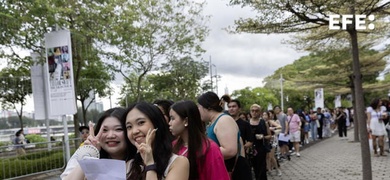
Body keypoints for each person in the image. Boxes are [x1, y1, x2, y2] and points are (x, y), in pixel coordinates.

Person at [61, 107, 136, 179]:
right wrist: (90, 154)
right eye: (105, 130)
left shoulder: (142, 159)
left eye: (118, 129)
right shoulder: (83, 153)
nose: (110, 136)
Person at [124, 102, 189, 179]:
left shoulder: (178, 162)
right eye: (129, 127)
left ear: (156, 124)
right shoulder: (129, 165)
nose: (134, 131)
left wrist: (150, 164)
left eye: (141, 123)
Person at [169, 100, 229, 179]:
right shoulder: (173, 146)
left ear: (186, 121)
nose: (169, 123)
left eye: (173, 119)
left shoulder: (210, 148)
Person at [197, 91, 251, 180]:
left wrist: (200, 152)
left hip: (233, 172)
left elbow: (230, 150)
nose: (198, 111)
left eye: (199, 107)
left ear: (208, 107)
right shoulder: (213, 122)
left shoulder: (223, 120)